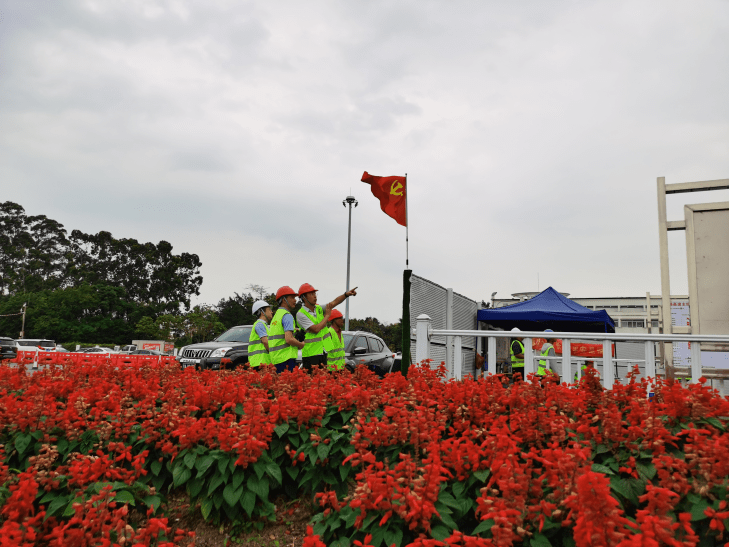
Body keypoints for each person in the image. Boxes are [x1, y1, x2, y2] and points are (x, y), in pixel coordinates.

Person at [296, 283, 358, 371]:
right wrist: (327, 316)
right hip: (311, 354)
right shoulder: (300, 314)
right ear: (303, 298)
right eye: (311, 294)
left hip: (323, 352)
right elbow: (316, 329)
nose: (315, 296)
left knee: (323, 378)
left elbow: (334, 303)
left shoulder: (318, 308)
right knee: (313, 379)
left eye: (315, 293)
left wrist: (346, 295)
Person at [268, 286, 305, 373]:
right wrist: (301, 344)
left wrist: (294, 330)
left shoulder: (277, 316)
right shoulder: (287, 315)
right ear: (284, 300)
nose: (295, 300)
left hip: (276, 359)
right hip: (286, 359)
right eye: (292, 297)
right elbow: (289, 339)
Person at [248, 300, 273, 368]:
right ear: (262, 313)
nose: (271, 312)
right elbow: (266, 342)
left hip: (261, 362)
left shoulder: (263, 325)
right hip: (260, 362)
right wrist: (274, 354)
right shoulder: (260, 324)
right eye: (269, 310)